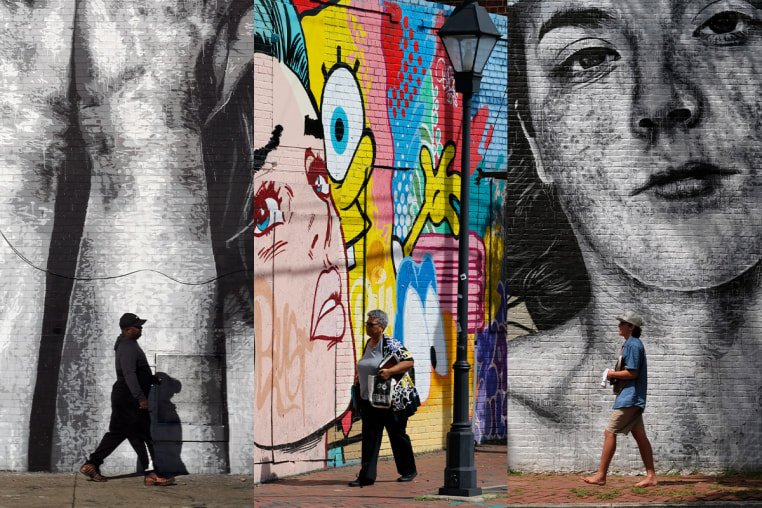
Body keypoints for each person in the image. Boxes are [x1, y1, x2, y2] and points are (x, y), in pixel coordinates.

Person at [504, 0, 762, 472]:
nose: (662, 103)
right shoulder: (503, 409)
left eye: (721, 25)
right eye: (588, 58)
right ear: (536, 142)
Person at [79, 313, 174, 486]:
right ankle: (152, 473)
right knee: (144, 434)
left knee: (117, 433)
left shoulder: (128, 344)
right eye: (137, 326)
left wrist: (151, 379)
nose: (141, 328)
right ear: (127, 330)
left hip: (124, 397)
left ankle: (92, 464)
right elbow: (129, 374)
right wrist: (140, 398)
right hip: (129, 398)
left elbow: (136, 372)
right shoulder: (128, 347)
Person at [582, 312, 657, 487]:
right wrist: (615, 377)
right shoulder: (629, 344)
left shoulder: (633, 344)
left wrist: (611, 374)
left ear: (632, 327)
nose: (619, 326)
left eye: (623, 323)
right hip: (630, 396)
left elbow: (633, 373)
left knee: (609, 432)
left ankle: (601, 475)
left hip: (630, 397)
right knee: (640, 436)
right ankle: (651, 476)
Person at [350, 309, 420, 487]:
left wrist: (389, 371)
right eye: (366, 324)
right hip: (370, 400)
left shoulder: (389, 343)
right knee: (370, 438)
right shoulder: (368, 343)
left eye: (370, 324)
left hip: (391, 401)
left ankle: (408, 471)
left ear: (381, 327)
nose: (367, 327)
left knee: (397, 435)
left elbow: (408, 361)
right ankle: (366, 477)